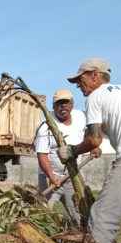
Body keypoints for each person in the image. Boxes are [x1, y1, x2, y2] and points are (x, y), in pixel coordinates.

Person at [60, 57, 121, 243]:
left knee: (102, 216)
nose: (78, 86)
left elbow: (94, 140)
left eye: (80, 80)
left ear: (95, 75)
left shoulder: (97, 96)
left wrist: (72, 152)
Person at [34, 89, 86, 224]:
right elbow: (42, 155)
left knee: (77, 213)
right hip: (50, 178)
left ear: (72, 104)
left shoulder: (80, 117)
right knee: (43, 213)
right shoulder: (46, 127)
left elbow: (88, 136)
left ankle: (79, 233)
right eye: (58, 104)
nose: (62, 106)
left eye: (66, 103)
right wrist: (51, 176)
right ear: (53, 107)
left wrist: (94, 147)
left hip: (73, 176)